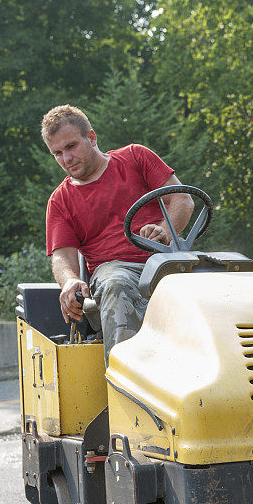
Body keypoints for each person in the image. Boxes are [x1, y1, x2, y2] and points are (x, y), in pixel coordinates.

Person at [42, 104, 194, 363]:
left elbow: (184, 199)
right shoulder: (60, 200)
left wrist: (165, 231)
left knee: (225, 278)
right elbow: (62, 257)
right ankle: (125, 391)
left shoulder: (135, 158)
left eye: (71, 147)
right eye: (57, 153)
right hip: (114, 271)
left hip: (166, 261)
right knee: (117, 284)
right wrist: (68, 281)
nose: (65, 159)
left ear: (91, 138)